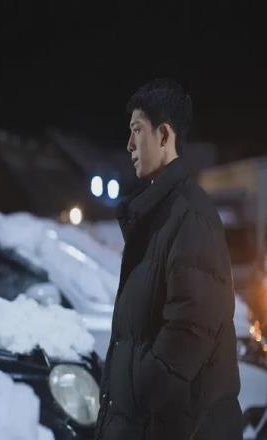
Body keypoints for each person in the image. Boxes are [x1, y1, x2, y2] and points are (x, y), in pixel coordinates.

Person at [94, 79, 242, 440]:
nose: (129, 145)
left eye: (137, 130)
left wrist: (140, 389)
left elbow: (191, 327)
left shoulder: (189, 215)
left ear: (163, 135)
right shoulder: (157, 215)